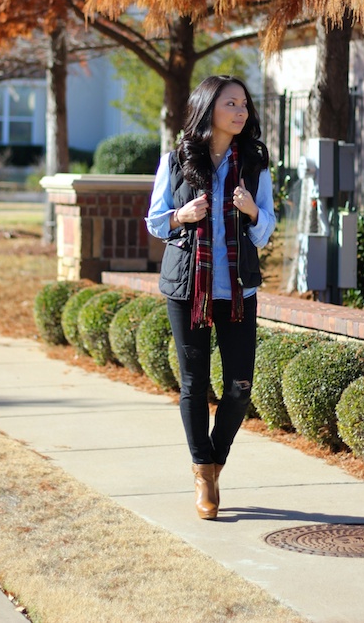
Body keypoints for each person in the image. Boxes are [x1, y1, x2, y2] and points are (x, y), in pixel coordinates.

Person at [145, 75, 276, 519]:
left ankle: (213, 460)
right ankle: (203, 472)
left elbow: (265, 229)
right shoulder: (177, 160)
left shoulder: (255, 165)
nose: (240, 111)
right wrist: (180, 215)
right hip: (188, 288)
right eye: (231, 104)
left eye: (244, 104)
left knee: (240, 387)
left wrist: (251, 210)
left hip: (238, 290)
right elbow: (155, 222)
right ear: (209, 108)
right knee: (194, 384)